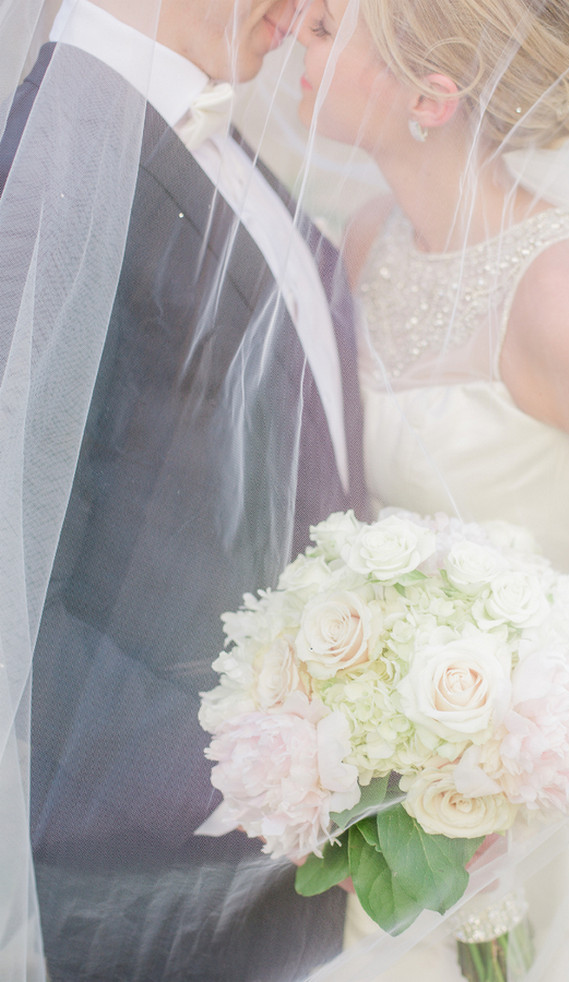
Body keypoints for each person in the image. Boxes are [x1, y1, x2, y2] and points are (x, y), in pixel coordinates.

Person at [0, 0, 368, 979]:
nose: (312, 12)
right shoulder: (60, 154)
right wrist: (251, 784)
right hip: (160, 887)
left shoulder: (202, 129)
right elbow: (12, 568)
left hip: (303, 853)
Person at [292, 0, 569, 977]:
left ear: (430, 95)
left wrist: (538, 750)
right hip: (405, 800)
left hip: (548, 797)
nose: (295, 32)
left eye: (329, 27)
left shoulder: (564, 293)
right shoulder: (371, 239)